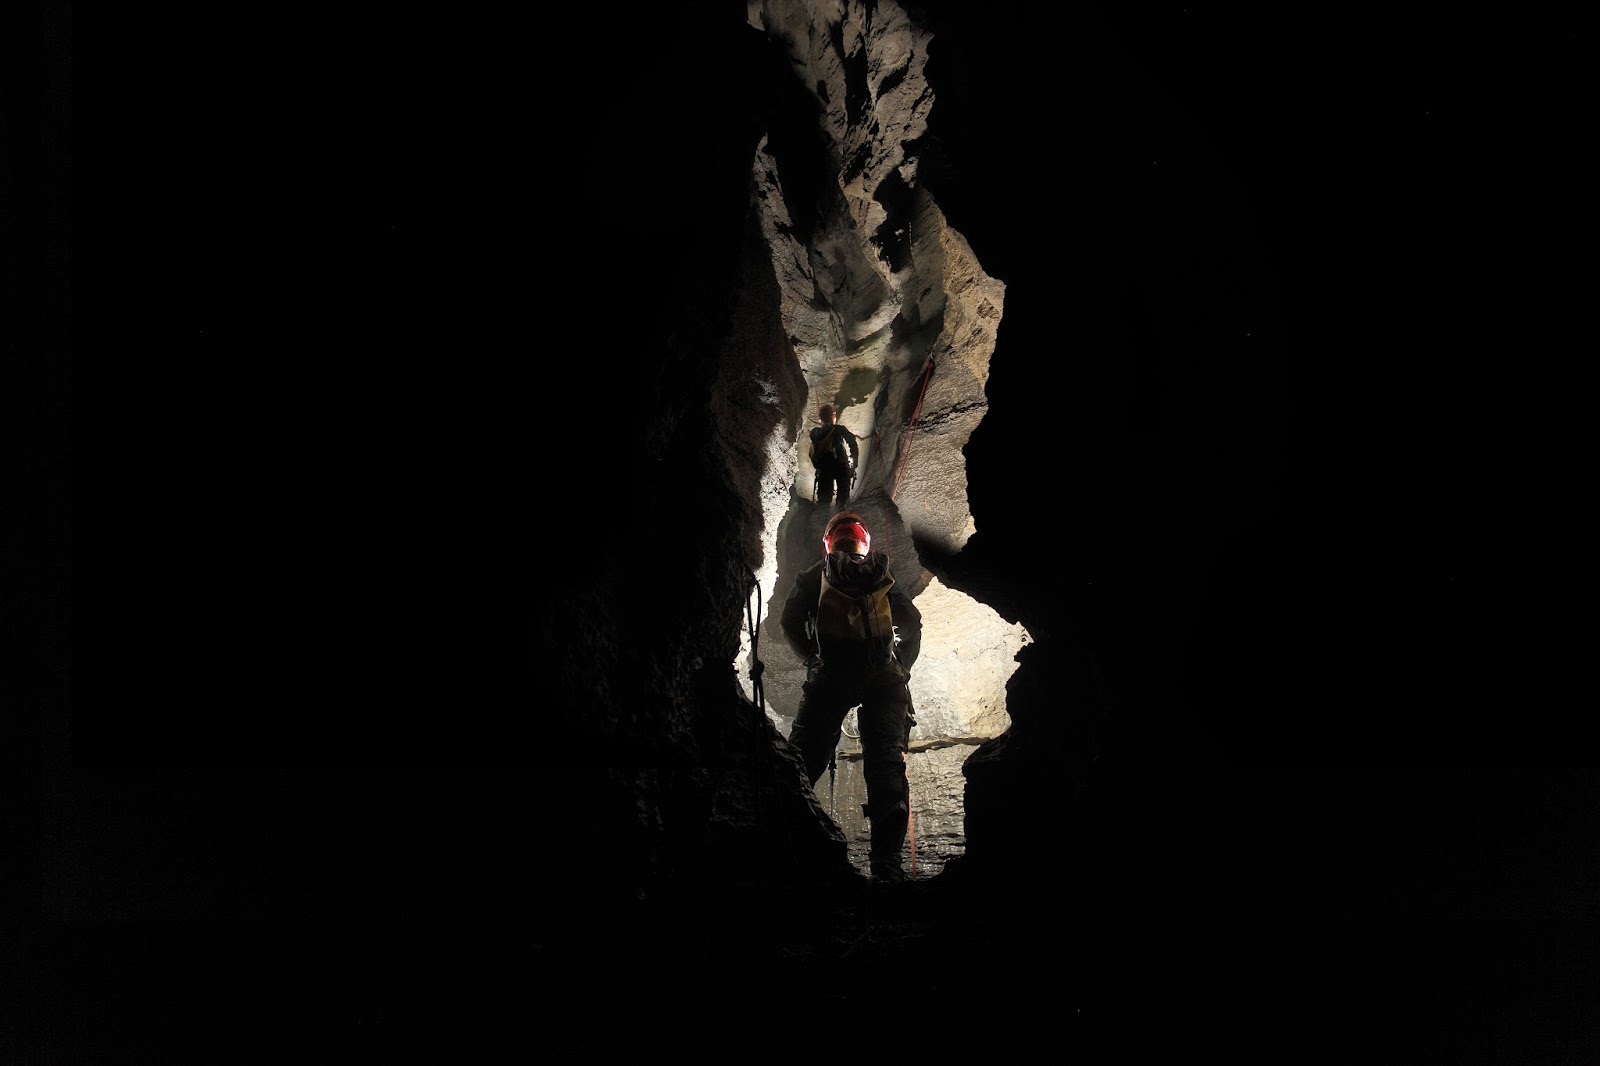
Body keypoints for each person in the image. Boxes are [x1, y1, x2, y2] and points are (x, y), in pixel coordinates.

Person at [780, 510, 922, 882]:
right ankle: (886, 864)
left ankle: (786, 844)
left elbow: (789, 621)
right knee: (886, 762)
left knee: (803, 756)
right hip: (884, 678)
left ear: (830, 542)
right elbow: (911, 622)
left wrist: (812, 658)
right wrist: (900, 665)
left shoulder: (816, 575)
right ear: (864, 542)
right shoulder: (881, 573)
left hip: (832, 676)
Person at [809, 403, 859, 508]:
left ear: (821, 418)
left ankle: (821, 521)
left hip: (824, 469)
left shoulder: (815, 433)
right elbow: (852, 442)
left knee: (824, 501)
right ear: (833, 416)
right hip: (840, 466)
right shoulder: (839, 429)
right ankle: (840, 519)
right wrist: (854, 463)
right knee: (843, 501)